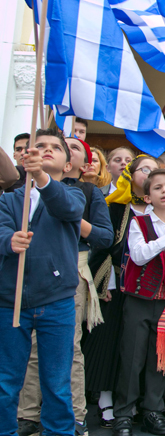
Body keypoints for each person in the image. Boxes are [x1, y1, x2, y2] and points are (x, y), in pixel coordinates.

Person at [16, 137, 113, 436]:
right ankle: (28, 413)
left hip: (70, 270)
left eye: (63, 148)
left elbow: (104, 237)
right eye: (41, 144)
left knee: (66, 349)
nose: (49, 149)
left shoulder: (85, 192)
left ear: (73, 165)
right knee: (30, 347)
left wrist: (74, 220)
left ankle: (74, 416)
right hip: (28, 273)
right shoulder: (19, 194)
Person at [0, 130, 85, 436]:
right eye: (40, 146)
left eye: (55, 148)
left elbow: (68, 210)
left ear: (66, 164)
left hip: (56, 301)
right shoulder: (9, 199)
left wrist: (42, 180)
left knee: (56, 381)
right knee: (6, 380)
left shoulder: (72, 195)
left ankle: (58, 432)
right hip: (11, 301)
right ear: (25, 158)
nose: (46, 150)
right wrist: (9, 240)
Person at [113, 169, 165, 436]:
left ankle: (153, 410)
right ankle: (124, 412)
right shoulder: (139, 223)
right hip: (139, 300)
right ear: (148, 196)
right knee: (132, 357)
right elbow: (138, 256)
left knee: (160, 358)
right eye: (158, 188)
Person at [85, 155, 160, 431]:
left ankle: (140, 403)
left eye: (155, 170)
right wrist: (101, 282)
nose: (150, 174)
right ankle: (106, 399)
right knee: (110, 342)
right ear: (131, 175)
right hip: (117, 284)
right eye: (144, 169)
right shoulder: (115, 207)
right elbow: (103, 248)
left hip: (152, 290)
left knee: (140, 350)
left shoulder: (163, 210)